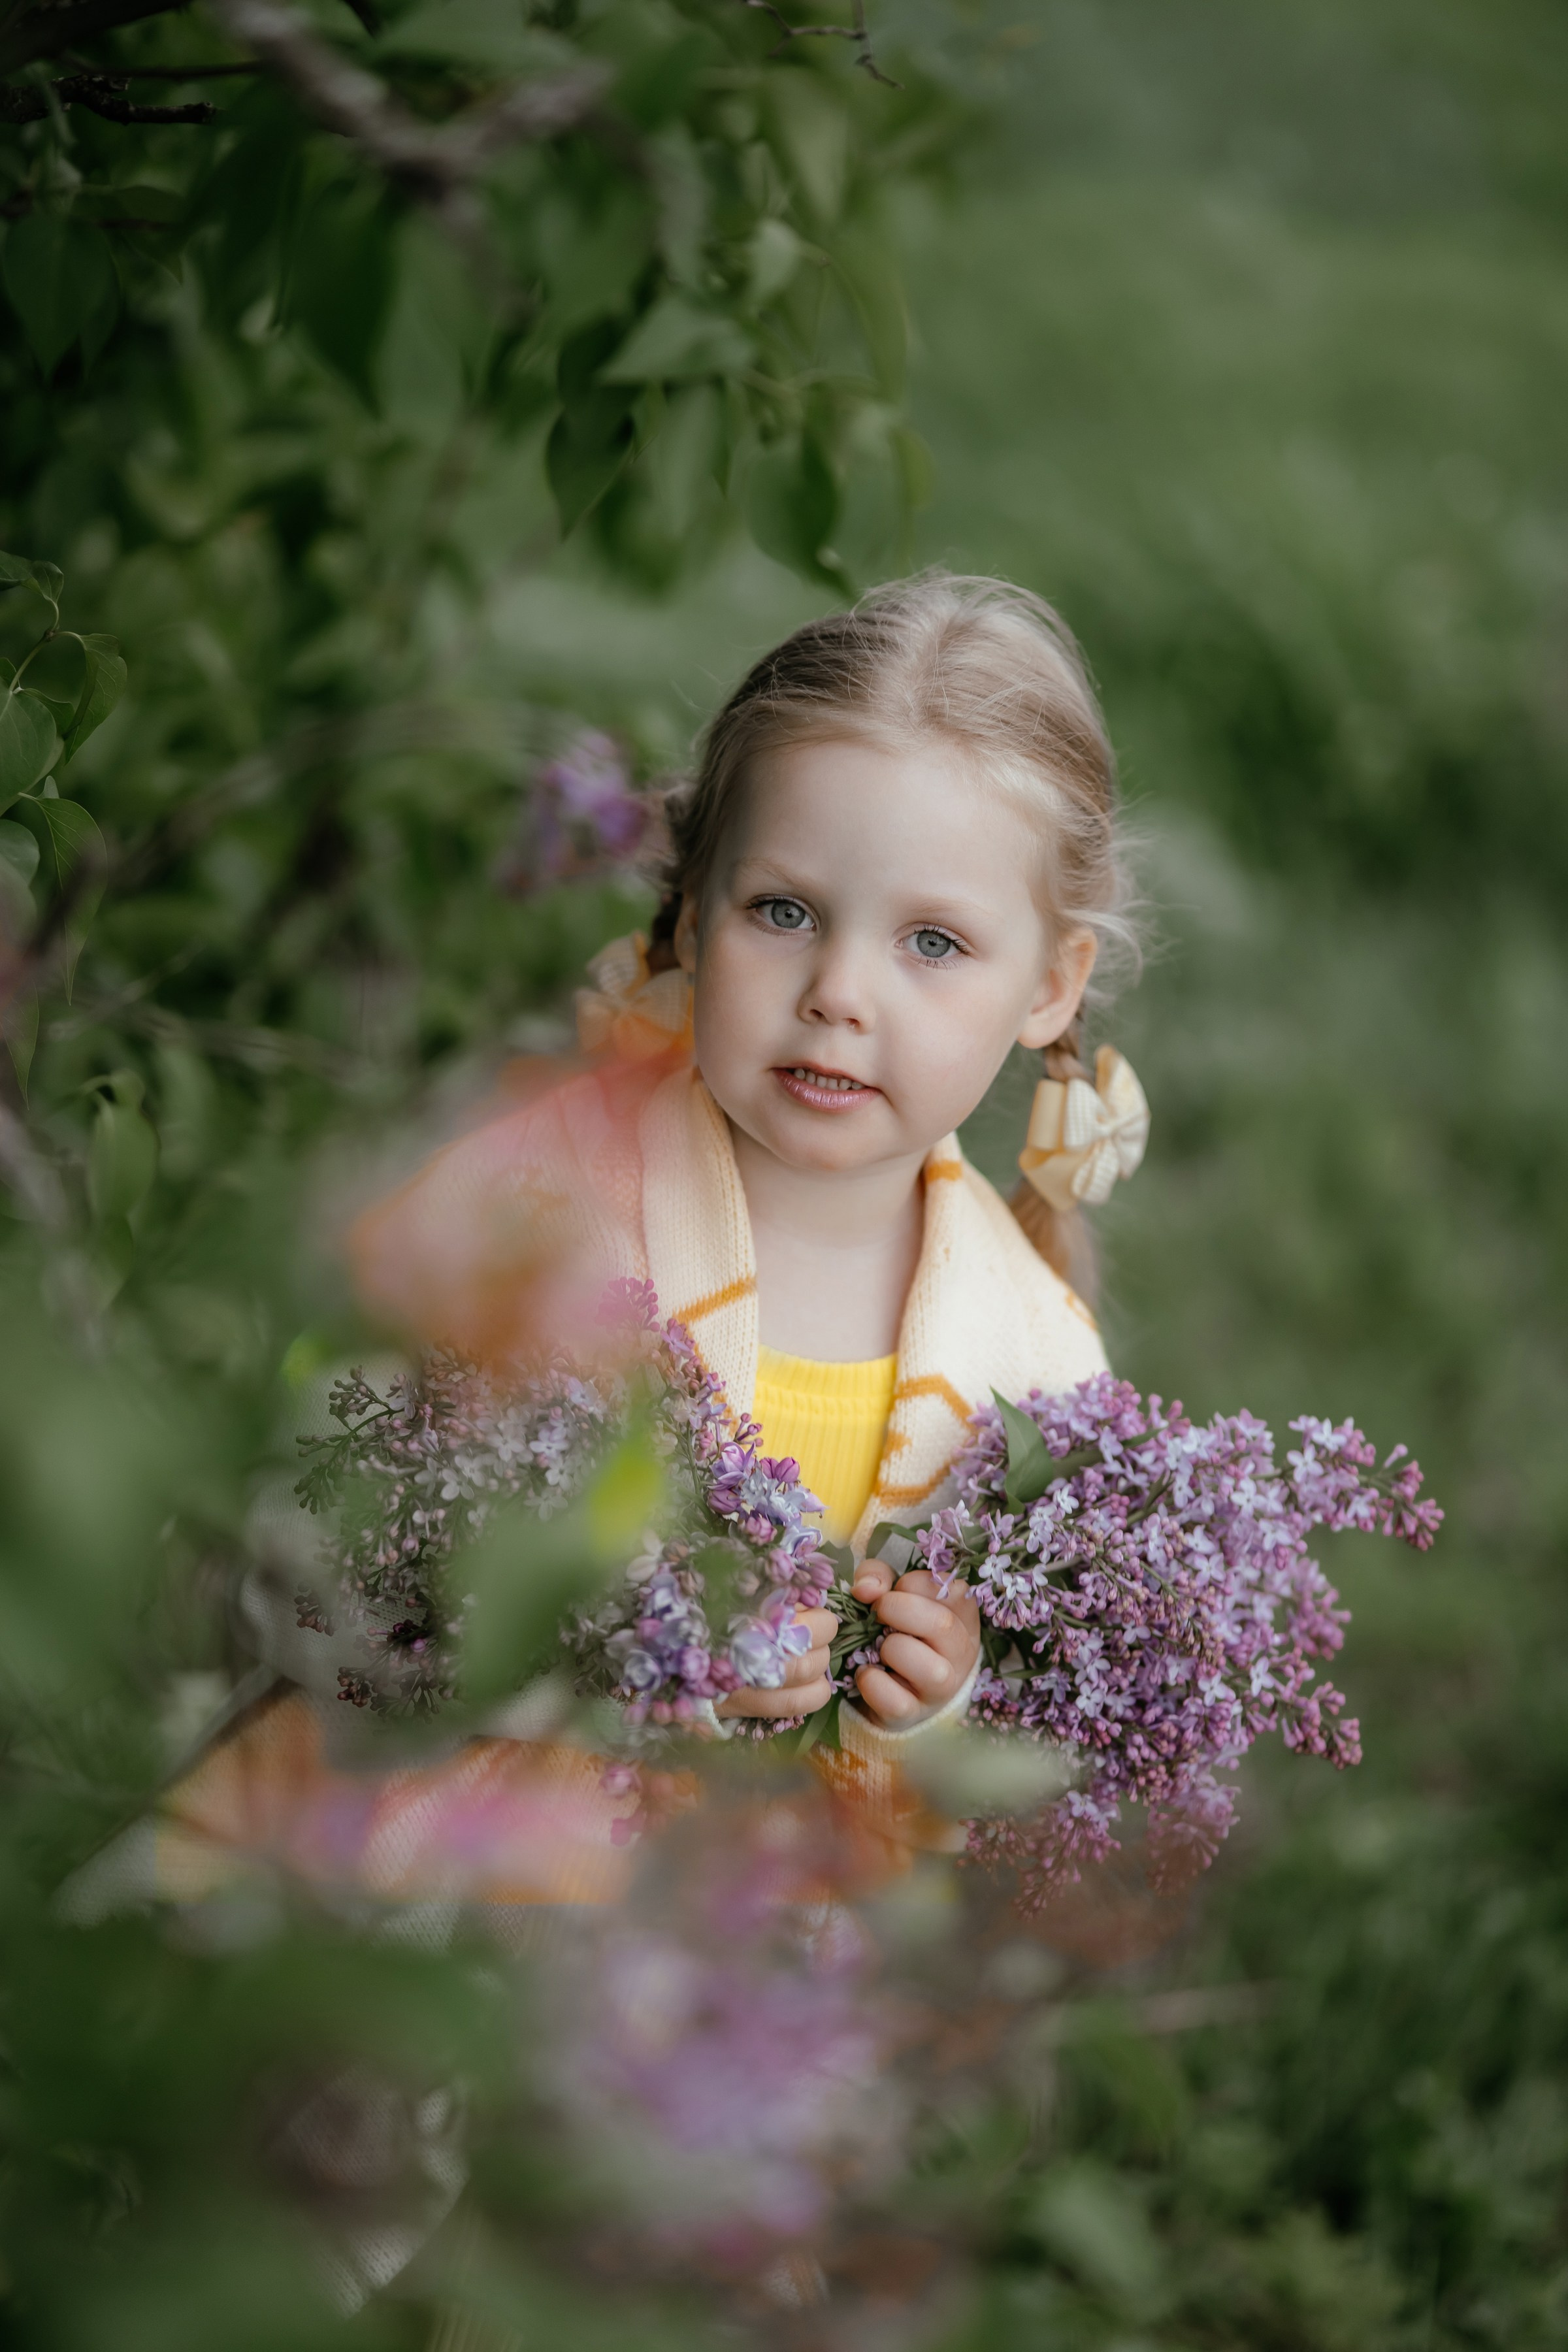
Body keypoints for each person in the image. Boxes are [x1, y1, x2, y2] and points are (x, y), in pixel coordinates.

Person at [353, 570, 1147, 1778]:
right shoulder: (530, 1201)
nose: (839, 991)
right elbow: (348, 1507)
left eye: (933, 942)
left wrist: (942, 1688)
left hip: (768, 1931)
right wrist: (624, 1642)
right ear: (689, 915)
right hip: (491, 1866)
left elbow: (1042, 1737)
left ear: (1050, 984)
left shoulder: (1036, 1357)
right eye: (783, 912)